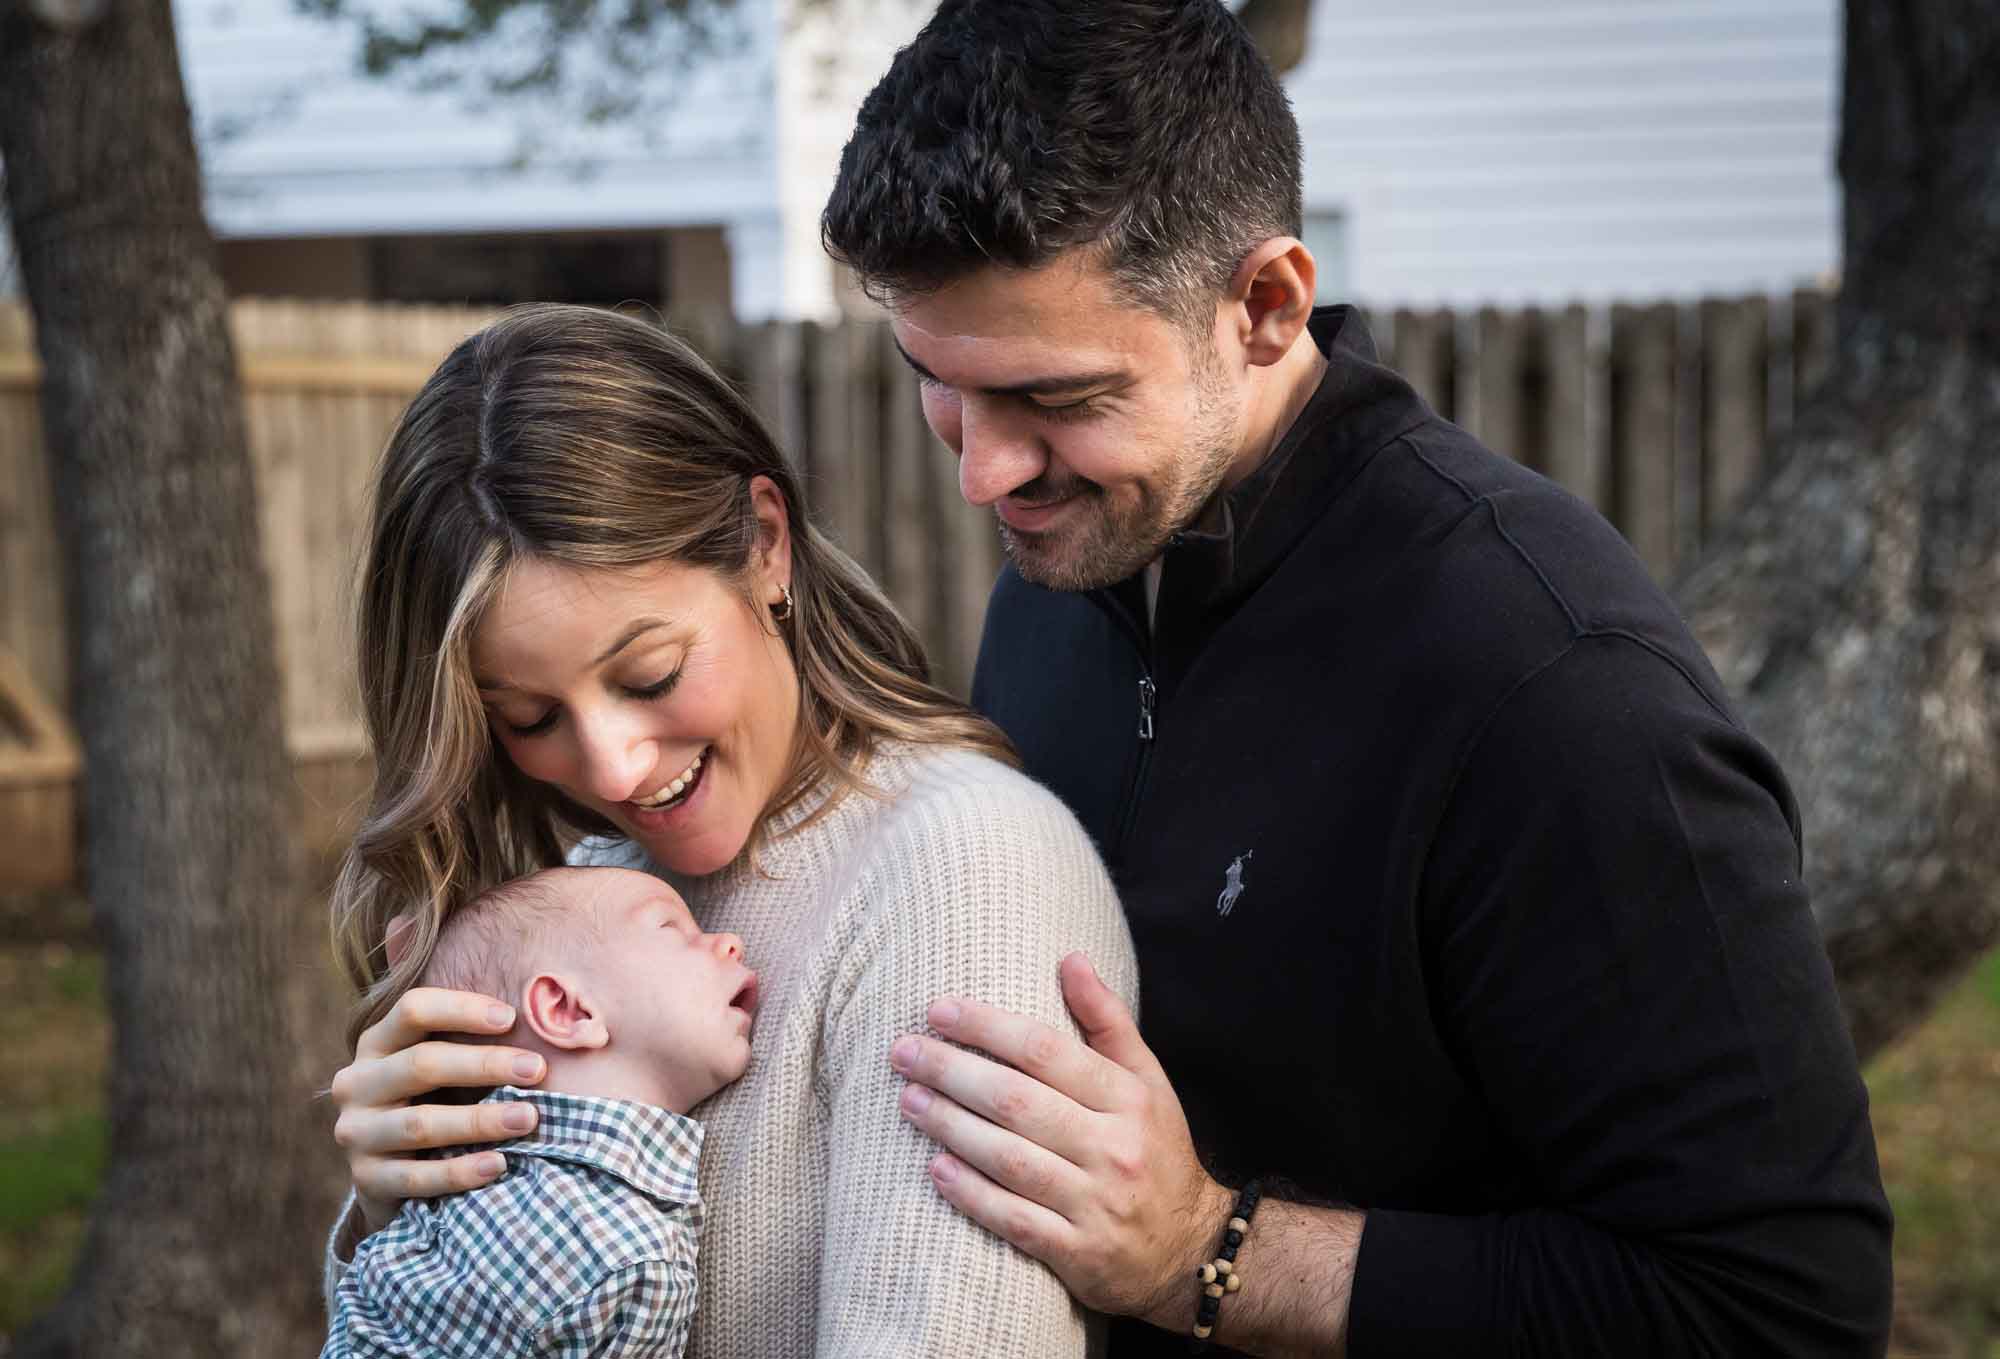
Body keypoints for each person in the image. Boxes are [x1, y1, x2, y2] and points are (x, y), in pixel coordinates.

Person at [819, 1, 1895, 1355]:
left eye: (1058, 398)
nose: (983, 471)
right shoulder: (1070, 565)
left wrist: (1208, 1248)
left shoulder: (1550, 684)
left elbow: (1782, 1306)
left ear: (1263, 305)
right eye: (940, 382)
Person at [320, 303, 1140, 1357]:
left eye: (648, 673)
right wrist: (405, 1208)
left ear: (763, 546)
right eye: (528, 718)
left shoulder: (963, 870)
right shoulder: (589, 889)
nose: (612, 766)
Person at [323, 866, 753, 1358]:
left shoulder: (474, 1214)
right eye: (671, 930)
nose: (731, 942)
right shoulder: (614, 1252)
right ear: (567, 1010)